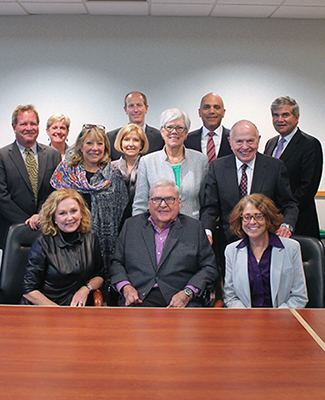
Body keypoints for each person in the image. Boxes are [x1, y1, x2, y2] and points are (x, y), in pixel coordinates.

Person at [200, 119, 299, 276]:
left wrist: (287, 225)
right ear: (230, 142)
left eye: (250, 141)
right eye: (239, 141)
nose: (245, 147)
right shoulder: (217, 167)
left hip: (267, 243)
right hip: (230, 244)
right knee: (234, 292)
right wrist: (207, 231)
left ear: (259, 140)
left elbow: (289, 204)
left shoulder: (275, 166)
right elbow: (210, 207)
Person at [110, 179, 218, 307]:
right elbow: (116, 263)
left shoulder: (194, 228)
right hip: (137, 300)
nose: (163, 204)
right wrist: (125, 287)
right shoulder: (131, 226)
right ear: (149, 204)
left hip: (182, 302)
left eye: (169, 199)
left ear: (179, 203)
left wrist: (188, 292)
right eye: (157, 199)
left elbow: (209, 267)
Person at [50, 124, 128, 276]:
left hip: (103, 246)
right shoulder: (66, 171)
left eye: (100, 143)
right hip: (67, 244)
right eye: (89, 143)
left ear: (105, 147)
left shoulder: (114, 175)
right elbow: (51, 205)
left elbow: (122, 213)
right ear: (80, 146)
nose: (95, 148)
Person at [224, 193, 308, 308]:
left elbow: (299, 297)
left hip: (282, 319)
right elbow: (230, 296)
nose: (252, 222)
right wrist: (247, 318)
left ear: (268, 218)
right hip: (245, 320)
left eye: (258, 216)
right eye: (247, 217)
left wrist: (275, 319)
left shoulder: (291, 248)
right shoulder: (231, 251)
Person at [23, 188, 104, 306]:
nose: (69, 218)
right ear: (54, 218)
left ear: (81, 212)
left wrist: (85, 289)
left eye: (74, 211)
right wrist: (57, 311)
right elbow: (28, 290)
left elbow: (99, 275)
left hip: (78, 308)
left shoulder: (91, 238)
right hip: (46, 308)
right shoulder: (42, 243)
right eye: (62, 213)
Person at [0, 104, 61, 249]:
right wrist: (26, 222)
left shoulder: (53, 155)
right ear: (14, 127)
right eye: (24, 124)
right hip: (12, 231)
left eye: (33, 123)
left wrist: (40, 216)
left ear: (38, 126)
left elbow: (54, 191)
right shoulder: (2, 156)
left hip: (46, 228)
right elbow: (2, 196)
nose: (29, 128)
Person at [133, 108, 208, 220]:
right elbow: (140, 204)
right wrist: (139, 230)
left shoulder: (200, 160)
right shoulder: (147, 162)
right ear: (162, 131)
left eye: (180, 128)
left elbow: (205, 202)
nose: (174, 131)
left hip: (192, 228)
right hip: (157, 229)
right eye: (169, 127)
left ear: (186, 133)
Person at [264, 96, 323, 239]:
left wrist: (284, 212)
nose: (280, 120)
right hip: (272, 221)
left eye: (285, 115)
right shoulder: (270, 144)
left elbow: (307, 188)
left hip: (299, 221)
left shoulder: (310, 144)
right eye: (276, 115)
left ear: (296, 117)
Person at [107, 91, 164, 160]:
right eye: (131, 106)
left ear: (146, 109)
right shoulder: (111, 138)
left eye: (139, 105)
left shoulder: (160, 137)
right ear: (125, 110)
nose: (135, 110)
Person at [112, 123, 149, 223]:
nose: (131, 144)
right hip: (115, 224)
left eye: (136, 140)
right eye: (126, 139)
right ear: (120, 142)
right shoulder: (110, 168)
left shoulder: (149, 167)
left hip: (142, 221)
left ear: (142, 144)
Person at [185, 92, 232, 163]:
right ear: (199, 112)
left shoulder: (234, 139)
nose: (212, 111)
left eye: (216, 107)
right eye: (207, 107)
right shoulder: (187, 140)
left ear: (223, 112)